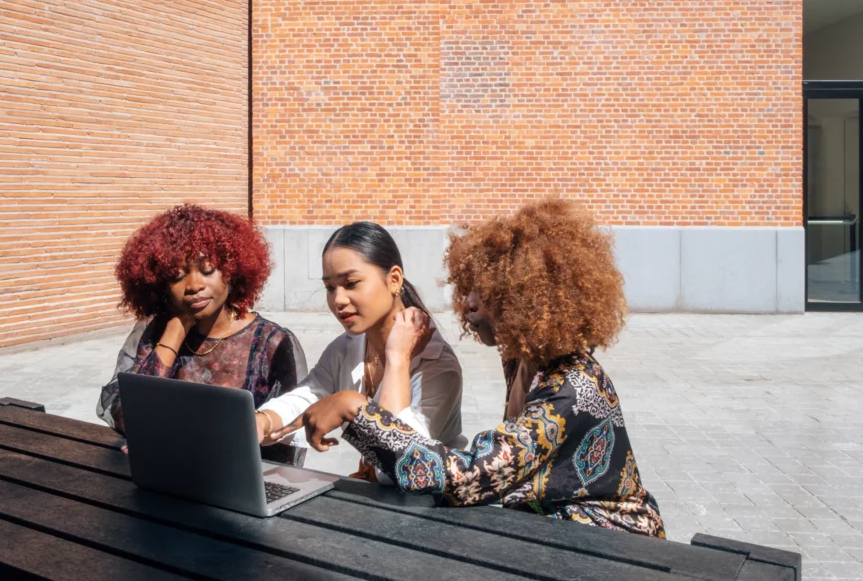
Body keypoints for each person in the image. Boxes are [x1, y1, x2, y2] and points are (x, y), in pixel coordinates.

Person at [276, 199, 666, 537]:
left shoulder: (571, 389)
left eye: (490, 293)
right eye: (468, 288)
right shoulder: (522, 356)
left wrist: (352, 407)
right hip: (547, 534)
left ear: (533, 301)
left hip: (611, 546)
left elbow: (468, 479)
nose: (469, 305)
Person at [96, 204, 307, 466]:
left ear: (232, 271)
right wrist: (175, 331)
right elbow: (129, 415)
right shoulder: (158, 331)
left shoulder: (270, 343)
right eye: (176, 276)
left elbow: (283, 440)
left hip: (237, 480)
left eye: (207, 271)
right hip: (163, 470)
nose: (194, 286)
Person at [257, 221, 464, 481]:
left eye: (351, 283)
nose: (338, 300)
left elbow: (396, 463)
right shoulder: (345, 348)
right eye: (330, 288)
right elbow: (308, 395)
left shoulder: (438, 366)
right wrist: (263, 420)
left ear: (394, 279)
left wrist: (397, 360)